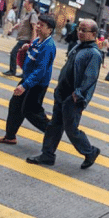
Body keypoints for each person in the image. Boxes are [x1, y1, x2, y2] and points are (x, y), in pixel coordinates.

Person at [26, 19, 102, 169]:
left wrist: (78, 94)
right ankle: (47, 155)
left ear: (93, 34)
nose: (79, 32)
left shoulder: (93, 54)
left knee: (71, 129)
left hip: (73, 98)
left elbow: (90, 78)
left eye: (83, 30)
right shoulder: (78, 46)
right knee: (54, 125)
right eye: (79, 29)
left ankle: (90, 151)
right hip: (62, 93)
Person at [0, 14, 57, 145]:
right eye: (38, 23)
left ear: (49, 30)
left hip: (36, 85)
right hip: (28, 80)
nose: (37, 27)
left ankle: (53, 132)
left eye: (42, 25)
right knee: (15, 106)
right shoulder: (37, 41)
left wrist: (24, 86)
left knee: (32, 112)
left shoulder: (48, 46)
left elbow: (40, 70)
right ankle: (10, 136)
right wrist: (26, 49)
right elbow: (26, 63)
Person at [3, 0, 38, 77]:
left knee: (14, 53)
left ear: (30, 4)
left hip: (26, 39)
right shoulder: (26, 14)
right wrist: (12, 28)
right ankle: (24, 73)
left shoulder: (33, 14)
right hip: (23, 38)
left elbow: (34, 28)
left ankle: (12, 71)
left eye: (26, 2)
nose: (24, 3)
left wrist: (33, 41)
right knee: (25, 57)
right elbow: (20, 24)